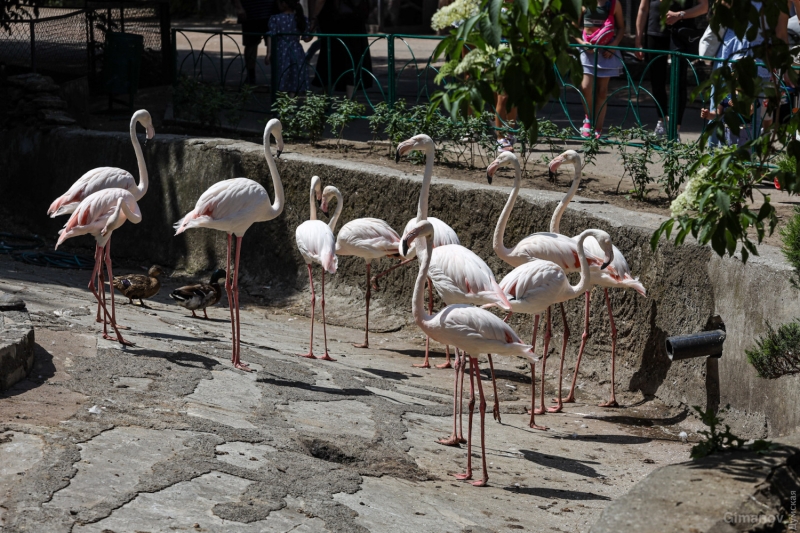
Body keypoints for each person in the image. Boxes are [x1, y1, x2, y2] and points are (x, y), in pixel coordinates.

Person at [635, 0, 709, 140]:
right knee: (657, 80)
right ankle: (661, 122)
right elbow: (643, 9)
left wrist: (679, 15)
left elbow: (704, 7)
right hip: (654, 32)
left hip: (681, 33)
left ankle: (675, 128)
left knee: (679, 80)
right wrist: (638, 40)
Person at [577, 0, 625, 139]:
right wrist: (582, 43)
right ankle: (588, 119)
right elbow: (573, 27)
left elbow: (621, 28)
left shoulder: (614, 4)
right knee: (586, 87)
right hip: (587, 50)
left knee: (602, 91)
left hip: (606, 52)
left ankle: (598, 127)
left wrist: (614, 45)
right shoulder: (583, 3)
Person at [309, 0, 373, 98]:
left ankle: (325, 100)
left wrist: (314, 18)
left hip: (334, 21)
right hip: (355, 20)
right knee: (352, 60)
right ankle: (350, 102)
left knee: (330, 59)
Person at [268, 0, 310, 94]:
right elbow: (306, 38)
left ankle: (281, 101)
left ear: (283, 4)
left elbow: (271, 36)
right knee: (295, 74)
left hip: (280, 50)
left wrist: (269, 53)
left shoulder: (276, 18)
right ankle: (291, 102)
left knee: (281, 73)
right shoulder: (301, 18)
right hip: (296, 50)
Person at [234, 0, 276, 85]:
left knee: (275, 45)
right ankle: (250, 76)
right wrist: (239, 7)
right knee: (250, 45)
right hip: (250, 12)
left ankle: (277, 76)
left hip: (272, 10)